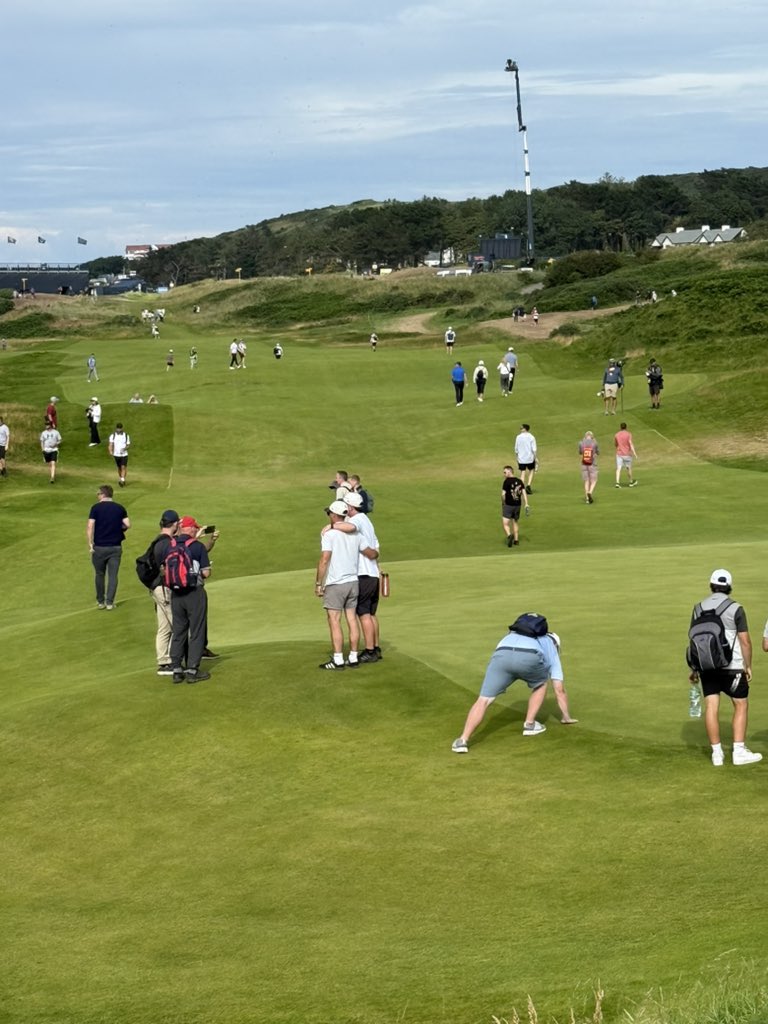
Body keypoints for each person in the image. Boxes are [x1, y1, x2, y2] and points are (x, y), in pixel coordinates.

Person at [451, 617, 577, 753]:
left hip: (501, 656)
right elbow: (559, 689)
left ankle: (462, 740)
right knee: (541, 684)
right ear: (556, 643)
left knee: (484, 700)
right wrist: (566, 717)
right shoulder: (549, 645)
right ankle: (529, 725)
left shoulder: (511, 635)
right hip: (529, 657)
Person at [690, 570, 761, 766]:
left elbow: (695, 641)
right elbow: (745, 641)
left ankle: (717, 754)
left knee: (711, 707)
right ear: (729, 586)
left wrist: (695, 669)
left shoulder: (698, 608)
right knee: (741, 704)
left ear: (711, 584)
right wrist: (748, 665)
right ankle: (738, 752)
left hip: (707, 667)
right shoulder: (736, 608)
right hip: (733, 667)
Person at [315, 500, 377, 670]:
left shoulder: (330, 534)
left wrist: (318, 583)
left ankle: (338, 659)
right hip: (353, 583)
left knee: (334, 620)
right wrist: (376, 552)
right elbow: (371, 553)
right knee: (351, 619)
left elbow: (324, 560)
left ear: (334, 515)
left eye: (329, 513)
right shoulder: (356, 535)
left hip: (336, 583)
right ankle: (353, 656)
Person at [156, 515, 212, 683]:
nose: (196, 529)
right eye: (195, 527)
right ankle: (192, 670)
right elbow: (206, 573)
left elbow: (164, 570)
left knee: (179, 631)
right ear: (191, 528)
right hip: (194, 592)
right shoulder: (197, 546)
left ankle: (177, 669)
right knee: (196, 630)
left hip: (175, 594)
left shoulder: (170, 545)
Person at [339, 491, 382, 662]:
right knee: (371, 614)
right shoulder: (367, 520)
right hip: (372, 572)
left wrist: (333, 526)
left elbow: (350, 528)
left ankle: (370, 651)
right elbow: (377, 547)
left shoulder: (356, 520)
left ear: (349, 506)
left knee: (363, 613)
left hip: (363, 573)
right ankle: (376, 647)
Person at [86, 484, 130, 610]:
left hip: (99, 547)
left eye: (98, 494)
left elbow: (90, 526)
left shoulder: (95, 508)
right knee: (113, 575)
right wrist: (118, 528)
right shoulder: (119, 508)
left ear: (103, 494)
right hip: (115, 547)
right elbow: (127, 524)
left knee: (99, 574)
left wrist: (90, 543)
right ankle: (110, 602)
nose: (97, 496)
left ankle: (100, 602)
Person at [501, 465, 529, 547]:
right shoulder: (520, 481)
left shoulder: (506, 481)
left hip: (508, 505)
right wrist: (526, 503)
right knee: (515, 522)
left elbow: (503, 495)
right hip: (518, 505)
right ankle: (516, 540)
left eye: (505, 472)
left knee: (505, 523)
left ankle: (509, 536)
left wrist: (503, 503)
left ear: (509, 472)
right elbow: (524, 493)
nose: (504, 474)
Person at [514, 423, 537, 493]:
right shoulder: (531, 437)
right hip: (530, 458)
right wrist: (536, 457)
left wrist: (517, 456)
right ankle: (528, 486)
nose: (520, 429)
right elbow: (534, 449)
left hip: (521, 458)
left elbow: (516, 448)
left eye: (522, 428)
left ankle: (522, 488)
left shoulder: (518, 437)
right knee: (531, 470)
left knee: (522, 472)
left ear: (525, 429)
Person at [614, 422, 638, 488]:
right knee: (628, 468)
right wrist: (634, 453)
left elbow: (616, 444)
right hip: (627, 454)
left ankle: (617, 483)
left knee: (618, 468)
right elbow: (630, 443)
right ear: (626, 427)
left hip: (619, 454)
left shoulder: (616, 435)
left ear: (620, 427)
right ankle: (631, 482)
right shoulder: (628, 434)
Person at [578, 430, 599, 503]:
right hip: (592, 464)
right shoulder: (594, 443)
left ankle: (587, 498)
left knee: (586, 481)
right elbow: (597, 452)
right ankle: (590, 492)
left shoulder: (581, 443)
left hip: (584, 464)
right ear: (592, 436)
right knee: (594, 480)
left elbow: (580, 452)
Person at [108, 422, 131, 488]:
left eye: (120, 429)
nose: (119, 430)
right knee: (119, 468)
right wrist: (110, 451)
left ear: (122, 428)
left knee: (123, 467)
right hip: (116, 454)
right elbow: (110, 444)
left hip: (124, 454)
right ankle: (121, 478)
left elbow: (128, 445)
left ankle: (122, 480)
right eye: (118, 429)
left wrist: (124, 448)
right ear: (116, 428)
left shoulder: (126, 435)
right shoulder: (113, 436)